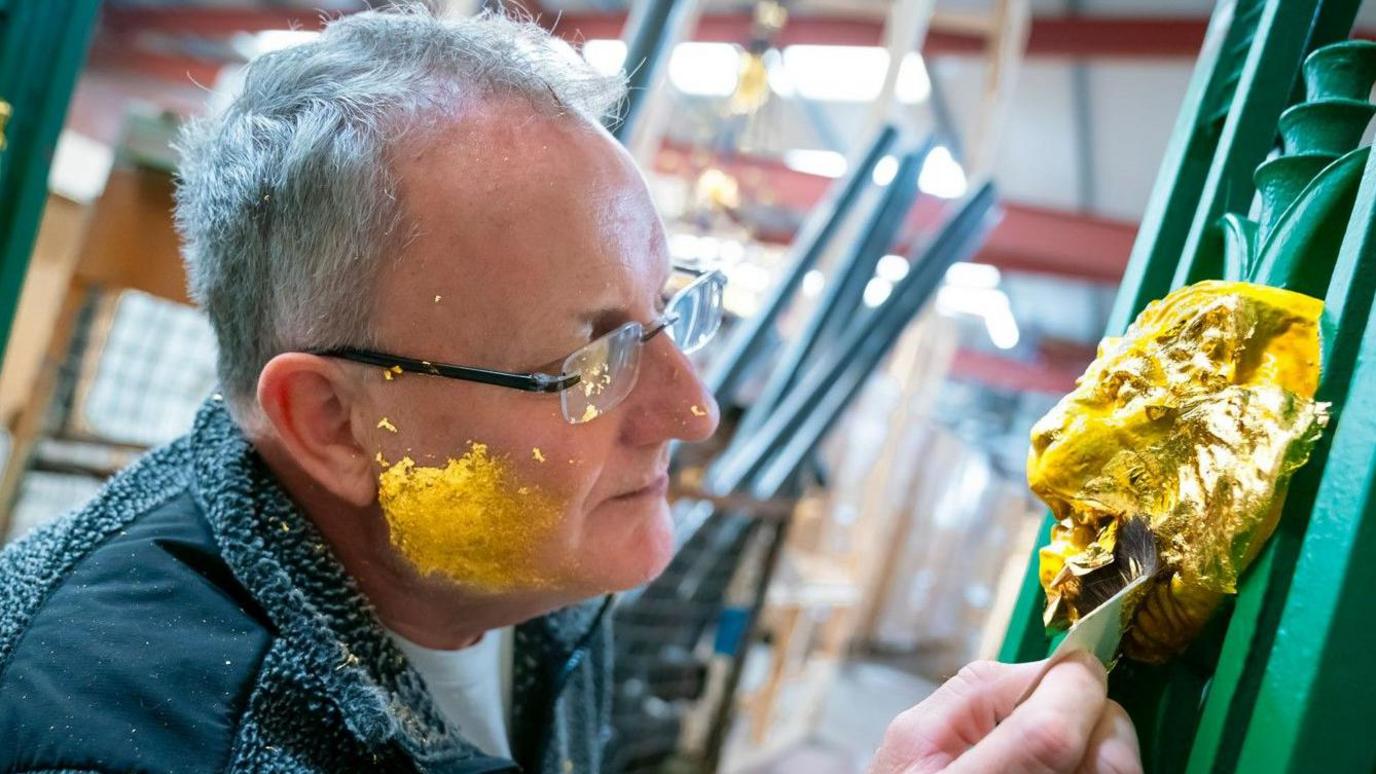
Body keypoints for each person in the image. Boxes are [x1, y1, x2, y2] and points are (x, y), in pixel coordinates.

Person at [0, 5, 1141, 772]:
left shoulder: (501, 561)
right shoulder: (142, 735)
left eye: (666, 313)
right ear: (337, 423)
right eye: (592, 360)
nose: (690, 412)